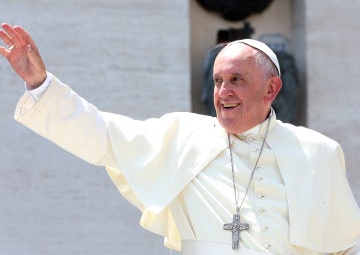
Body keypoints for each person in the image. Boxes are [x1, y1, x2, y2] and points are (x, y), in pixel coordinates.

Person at [0, 22, 359, 255]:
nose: (223, 92)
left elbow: (347, 245)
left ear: (272, 88)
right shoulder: (181, 136)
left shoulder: (318, 152)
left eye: (236, 80)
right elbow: (101, 136)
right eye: (217, 81)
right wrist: (40, 84)